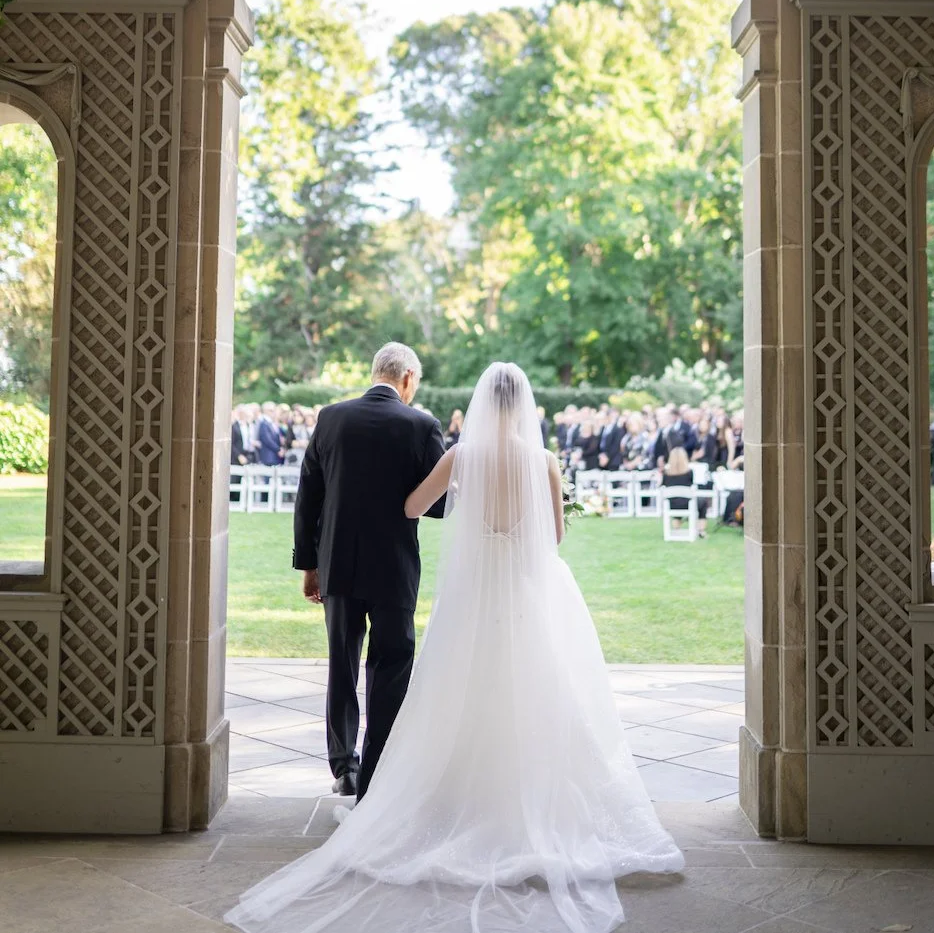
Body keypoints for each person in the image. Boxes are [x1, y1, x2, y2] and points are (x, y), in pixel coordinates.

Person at [226, 362, 683, 933]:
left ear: (485, 401)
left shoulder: (463, 455)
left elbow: (412, 507)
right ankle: (530, 794)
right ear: (524, 405)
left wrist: (464, 499)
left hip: (474, 593)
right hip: (528, 590)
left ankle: (440, 792)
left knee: (459, 688)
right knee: (538, 687)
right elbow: (555, 536)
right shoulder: (544, 461)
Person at [289, 343, 447, 802]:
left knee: (342, 661)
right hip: (394, 566)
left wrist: (309, 565)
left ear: (376, 371)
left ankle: (344, 766)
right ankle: (378, 771)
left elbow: (308, 496)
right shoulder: (421, 426)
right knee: (391, 664)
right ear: (408, 378)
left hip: (337, 562)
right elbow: (438, 505)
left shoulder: (331, 418)